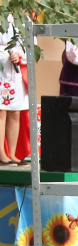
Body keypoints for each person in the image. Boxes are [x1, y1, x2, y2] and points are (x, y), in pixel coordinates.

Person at [0, 13, 27, 165]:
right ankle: (1, 153)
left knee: (15, 111)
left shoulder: (21, 18)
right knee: (1, 111)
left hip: (15, 70)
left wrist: (19, 55)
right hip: (1, 68)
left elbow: (30, 43)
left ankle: (12, 153)